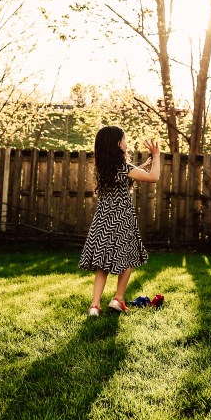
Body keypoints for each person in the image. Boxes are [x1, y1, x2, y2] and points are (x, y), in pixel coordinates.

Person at [79, 126, 161, 316]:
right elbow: (154, 178)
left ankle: (94, 305)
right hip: (122, 218)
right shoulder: (124, 168)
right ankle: (118, 298)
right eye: (124, 139)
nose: (126, 142)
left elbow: (123, 179)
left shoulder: (103, 168)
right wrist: (156, 156)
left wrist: (140, 167)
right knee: (128, 257)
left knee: (102, 264)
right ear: (117, 144)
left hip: (103, 220)